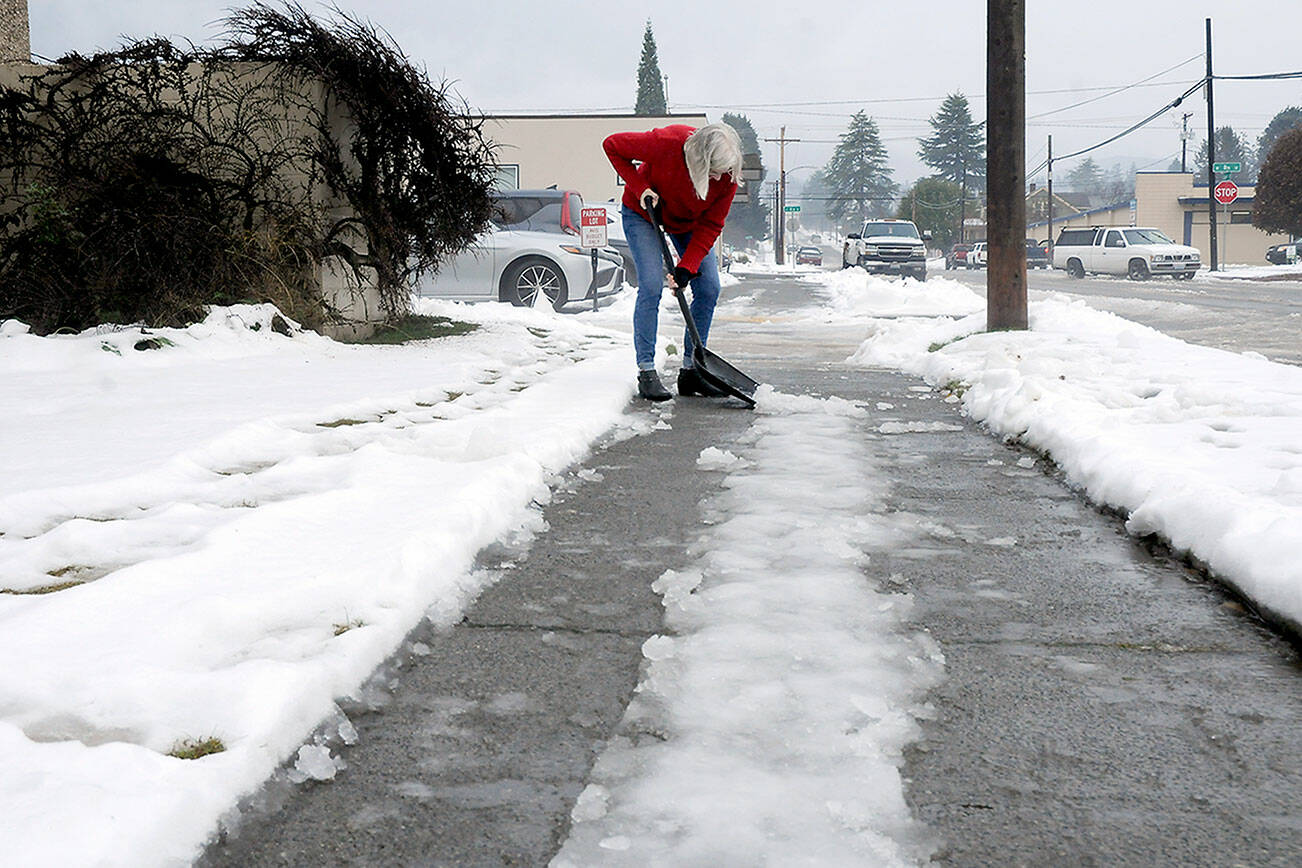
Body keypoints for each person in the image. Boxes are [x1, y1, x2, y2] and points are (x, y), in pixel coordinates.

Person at [603, 123, 742, 401]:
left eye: (723, 171)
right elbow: (612, 145)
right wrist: (640, 187)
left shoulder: (727, 176)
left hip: (687, 223)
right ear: (700, 158)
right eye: (713, 170)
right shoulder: (668, 142)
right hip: (644, 213)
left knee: (708, 288)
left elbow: (713, 224)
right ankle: (646, 371)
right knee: (651, 285)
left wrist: (686, 268)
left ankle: (692, 372)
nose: (718, 177)